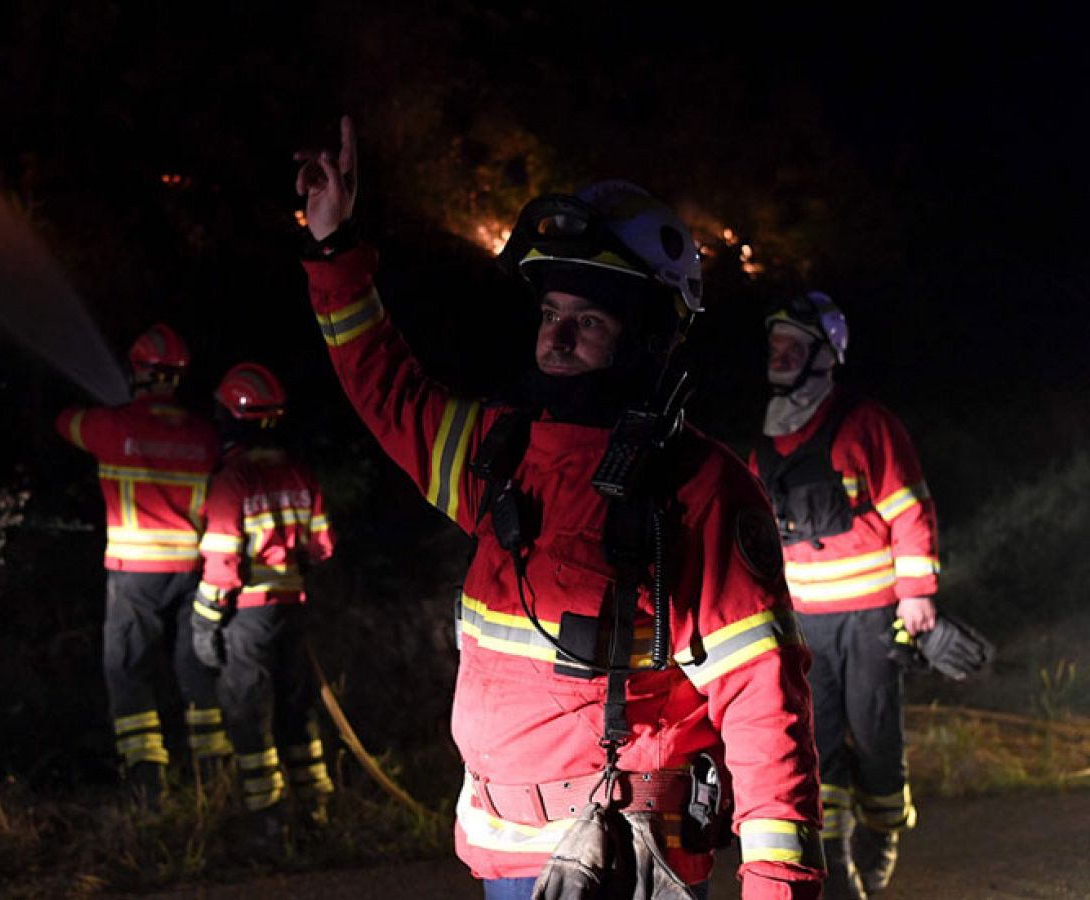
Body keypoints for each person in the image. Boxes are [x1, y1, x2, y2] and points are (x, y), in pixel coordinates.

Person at [294, 117, 824, 899]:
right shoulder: (501, 453)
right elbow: (386, 390)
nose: (559, 338)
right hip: (501, 858)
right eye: (550, 314)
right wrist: (334, 250)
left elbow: (764, 704)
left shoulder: (698, 489)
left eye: (591, 321)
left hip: (625, 865)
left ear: (647, 340)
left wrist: (780, 886)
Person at [750, 293, 939, 898]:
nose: (779, 355)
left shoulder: (866, 424)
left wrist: (916, 594)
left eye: (793, 346)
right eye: (774, 344)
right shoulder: (766, 437)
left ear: (824, 356)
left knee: (876, 732)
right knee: (815, 740)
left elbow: (910, 509)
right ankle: (834, 857)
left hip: (872, 615)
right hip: (804, 621)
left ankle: (882, 828)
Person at [55, 323, 230, 806]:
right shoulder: (204, 434)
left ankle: (147, 778)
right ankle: (212, 774)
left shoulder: (112, 426)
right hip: (192, 571)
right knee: (194, 668)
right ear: (179, 376)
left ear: (136, 371)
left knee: (127, 669)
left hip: (134, 574)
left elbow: (65, 422)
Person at [190, 361, 337, 849]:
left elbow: (222, 563)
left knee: (248, 713)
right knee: (298, 708)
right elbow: (322, 548)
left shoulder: (233, 479)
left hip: (247, 616)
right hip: (293, 609)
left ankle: (268, 822)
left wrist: (205, 623)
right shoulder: (300, 471)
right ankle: (315, 811)